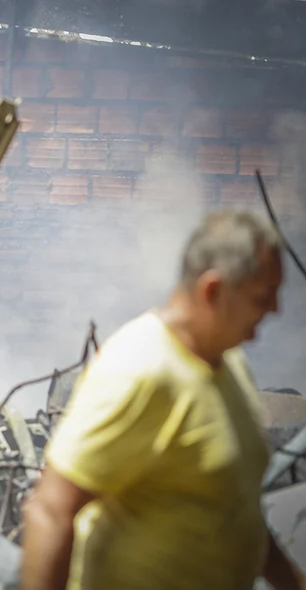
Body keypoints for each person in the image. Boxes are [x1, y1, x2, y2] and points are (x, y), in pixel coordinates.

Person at [21, 210, 305, 590]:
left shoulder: (231, 364)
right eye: (261, 296)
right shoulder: (140, 369)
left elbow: (236, 507)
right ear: (213, 291)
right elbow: (51, 510)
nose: (275, 310)